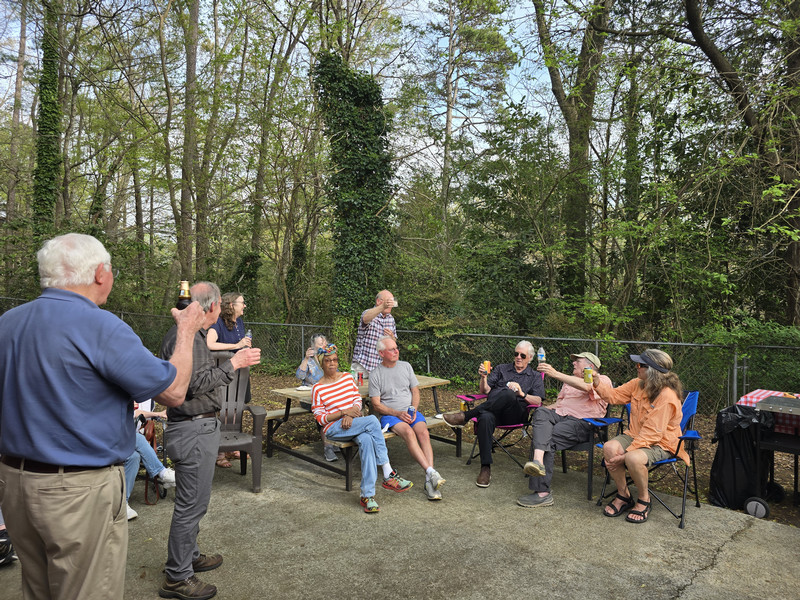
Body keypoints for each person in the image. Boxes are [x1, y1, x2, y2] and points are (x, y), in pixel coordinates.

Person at [0, 233, 205, 600]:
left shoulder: (8, 324)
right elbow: (173, 392)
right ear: (100, 274)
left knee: (37, 589)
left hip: (14, 485)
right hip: (77, 493)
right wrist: (187, 330)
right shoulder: (101, 326)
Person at [159, 281, 262, 600]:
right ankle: (177, 576)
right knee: (191, 505)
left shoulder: (189, 336)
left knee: (196, 501)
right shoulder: (188, 337)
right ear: (214, 307)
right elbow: (193, 384)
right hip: (191, 428)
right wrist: (235, 364)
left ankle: (189, 556)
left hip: (195, 427)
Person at [311, 344, 412, 513]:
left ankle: (367, 496)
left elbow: (357, 400)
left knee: (366, 440)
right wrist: (343, 413)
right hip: (334, 429)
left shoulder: (347, 378)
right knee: (372, 420)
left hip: (353, 423)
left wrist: (351, 415)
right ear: (322, 364)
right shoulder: (318, 388)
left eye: (335, 360)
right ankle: (388, 472)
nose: (332, 364)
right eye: (328, 361)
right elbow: (320, 418)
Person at [592, 349, 688, 524]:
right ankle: (624, 495)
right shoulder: (638, 383)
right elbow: (614, 396)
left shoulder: (666, 396)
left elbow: (653, 433)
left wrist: (624, 456)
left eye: (640, 365)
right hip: (636, 435)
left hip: (662, 442)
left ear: (652, 370)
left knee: (634, 458)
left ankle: (644, 500)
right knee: (609, 447)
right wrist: (597, 382)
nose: (636, 367)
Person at [442, 341, 545, 487]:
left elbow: (538, 400)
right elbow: (485, 391)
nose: (518, 357)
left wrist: (521, 393)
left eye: (523, 355)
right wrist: (483, 378)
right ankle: (485, 468)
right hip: (492, 412)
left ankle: (466, 416)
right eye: (516, 354)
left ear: (530, 358)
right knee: (484, 417)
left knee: (509, 394)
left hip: (515, 414)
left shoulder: (534, 376)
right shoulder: (501, 368)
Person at [516, 352, 611, 508]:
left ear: (591, 366)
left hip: (583, 423)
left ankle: (542, 494)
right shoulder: (568, 383)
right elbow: (557, 406)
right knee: (541, 413)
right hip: (560, 417)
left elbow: (588, 386)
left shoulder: (603, 380)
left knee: (547, 437)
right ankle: (538, 461)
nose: (573, 363)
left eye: (577, 361)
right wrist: (541, 414)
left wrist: (555, 374)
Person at [369, 336, 446, 500]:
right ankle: (431, 473)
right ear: (381, 353)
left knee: (423, 433)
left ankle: (429, 478)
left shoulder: (406, 366)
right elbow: (376, 405)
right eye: (392, 349)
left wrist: (414, 410)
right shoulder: (375, 374)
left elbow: (415, 391)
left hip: (411, 412)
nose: (396, 351)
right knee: (409, 433)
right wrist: (397, 413)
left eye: (396, 348)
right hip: (391, 416)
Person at [206, 292, 252, 468]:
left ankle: (233, 444)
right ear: (231, 305)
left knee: (236, 407)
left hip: (240, 373)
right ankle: (220, 453)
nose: (245, 305)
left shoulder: (239, 322)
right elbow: (210, 344)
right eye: (242, 302)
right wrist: (236, 346)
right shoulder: (218, 321)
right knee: (221, 409)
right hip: (222, 374)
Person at [124, 405, 176, 520]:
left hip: (126, 443)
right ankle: (162, 473)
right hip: (108, 440)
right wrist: (158, 414)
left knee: (134, 457)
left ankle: (123, 504)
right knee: (138, 438)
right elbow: (133, 413)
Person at [296, 333, 340, 462]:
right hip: (309, 399)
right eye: (320, 344)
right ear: (312, 346)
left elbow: (335, 376)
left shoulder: (328, 359)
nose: (323, 346)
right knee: (324, 411)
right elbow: (299, 376)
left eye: (325, 343)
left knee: (340, 406)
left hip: (328, 397)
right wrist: (305, 359)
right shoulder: (309, 361)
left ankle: (335, 440)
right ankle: (328, 447)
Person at [351, 290, 397, 380]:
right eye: (389, 301)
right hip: (362, 365)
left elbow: (394, 342)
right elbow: (365, 319)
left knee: (380, 393)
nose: (391, 304)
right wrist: (383, 306)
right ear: (379, 301)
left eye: (392, 301)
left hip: (381, 367)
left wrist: (392, 338)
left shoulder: (391, 319)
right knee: (358, 392)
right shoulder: (368, 313)